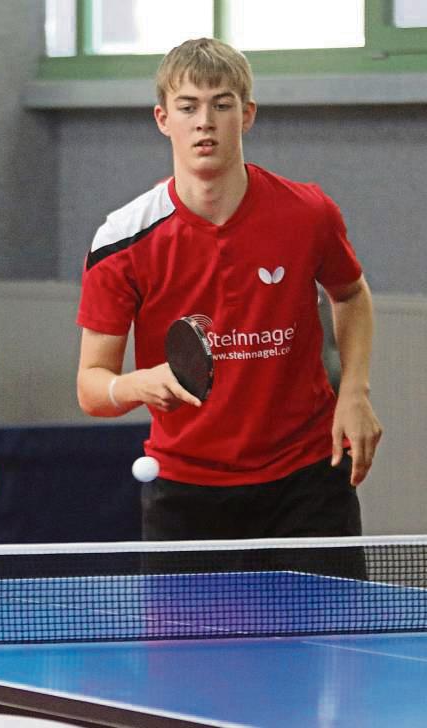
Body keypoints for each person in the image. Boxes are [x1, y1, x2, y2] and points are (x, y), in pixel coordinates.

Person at [76, 38, 382, 542]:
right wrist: (139, 383)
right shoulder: (121, 240)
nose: (205, 121)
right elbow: (92, 387)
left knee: (335, 626)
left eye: (222, 104)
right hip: (185, 492)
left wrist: (354, 392)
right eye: (188, 106)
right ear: (162, 119)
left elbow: (349, 293)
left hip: (306, 478)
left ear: (247, 115)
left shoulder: (308, 213)